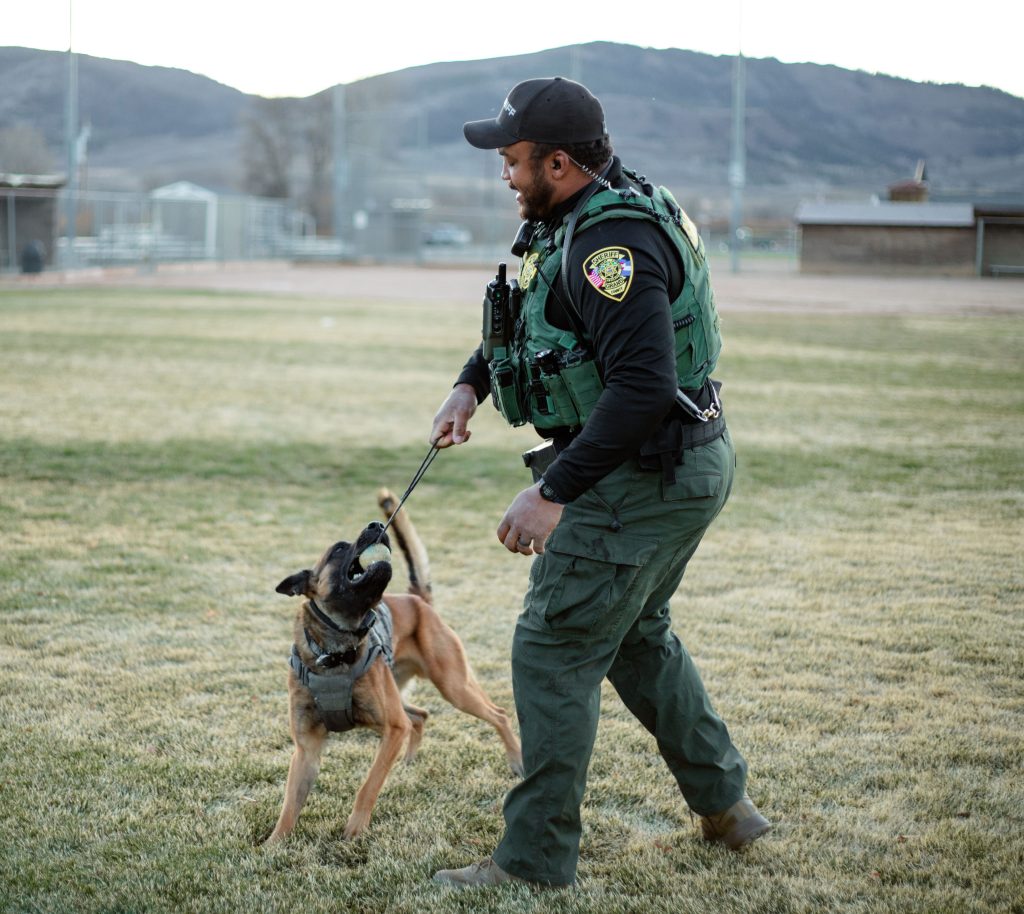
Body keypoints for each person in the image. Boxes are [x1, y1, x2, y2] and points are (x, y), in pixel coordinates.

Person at [429, 76, 770, 889]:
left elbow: (642, 384)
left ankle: (535, 861)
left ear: (557, 162)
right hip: (683, 461)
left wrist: (553, 493)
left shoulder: (605, 247)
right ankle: (729, 808)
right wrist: (470, 383)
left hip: (645, 468)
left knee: (552, 647)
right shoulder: (585, 216)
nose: (504, 174)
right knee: (636, 634)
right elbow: (541, 322)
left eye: (513, 160)